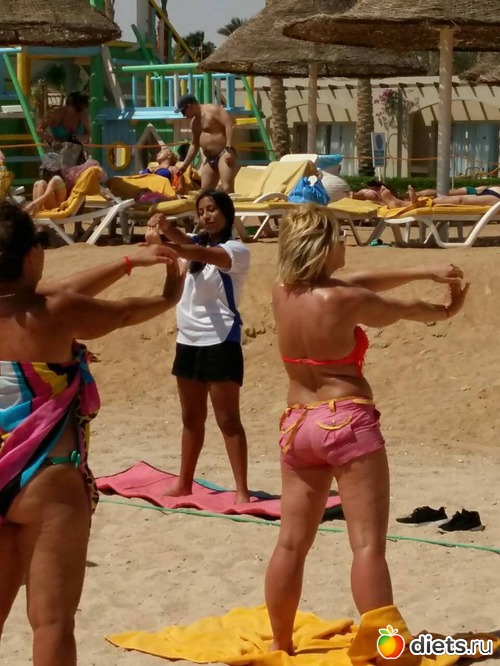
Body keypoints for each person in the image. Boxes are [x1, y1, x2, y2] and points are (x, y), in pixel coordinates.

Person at [265, 205, 469, 654]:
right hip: (346, 421)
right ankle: (387, 652)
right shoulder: (345, 300)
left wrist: (424, 270)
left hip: (297, 424)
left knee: (291, 544)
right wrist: (445, 309)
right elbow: (399, 308)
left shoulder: (282, 292)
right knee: (367, 547)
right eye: (338, 236)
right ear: (321, 246)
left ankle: (280, 643)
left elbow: (357, 281)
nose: (345, 243)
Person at [0, 201, 185, 666]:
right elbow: (118, 313)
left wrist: (128, 261)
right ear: (32, 256)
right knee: (52, 623)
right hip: (48, 478)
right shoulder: (54, 312)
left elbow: (55, 290)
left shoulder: (46, 306)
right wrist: (169, 292)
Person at [144, 190, 251, 503]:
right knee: (191, 418)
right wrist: (164, 226)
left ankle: (242, 491)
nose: (206, 216)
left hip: (221, 340)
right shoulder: (195, 243)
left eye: (212, 209)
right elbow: (186, 241)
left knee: (228, 420)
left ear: (227, 213)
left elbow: (198, 252)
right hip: (187, 340)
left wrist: (164, 241)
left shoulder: (235, 251)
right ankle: (184, 482)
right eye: (201, 211)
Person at [174, 94, 237, 193]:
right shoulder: (194, 123)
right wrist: (185, 165)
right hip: (210, 159)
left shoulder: (212, 110)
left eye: (183, 111)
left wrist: (229, 148)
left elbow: (229, 125)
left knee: (227, 188)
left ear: (189, 106)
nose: (183, 115)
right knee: (205, 192)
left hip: (223, 154)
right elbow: (194, 145)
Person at [380, 184, 500, 208]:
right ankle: (414, 202)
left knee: (459, 200)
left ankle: (403, 204)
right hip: (489, 192)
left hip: (496, 199)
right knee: (448, 197)